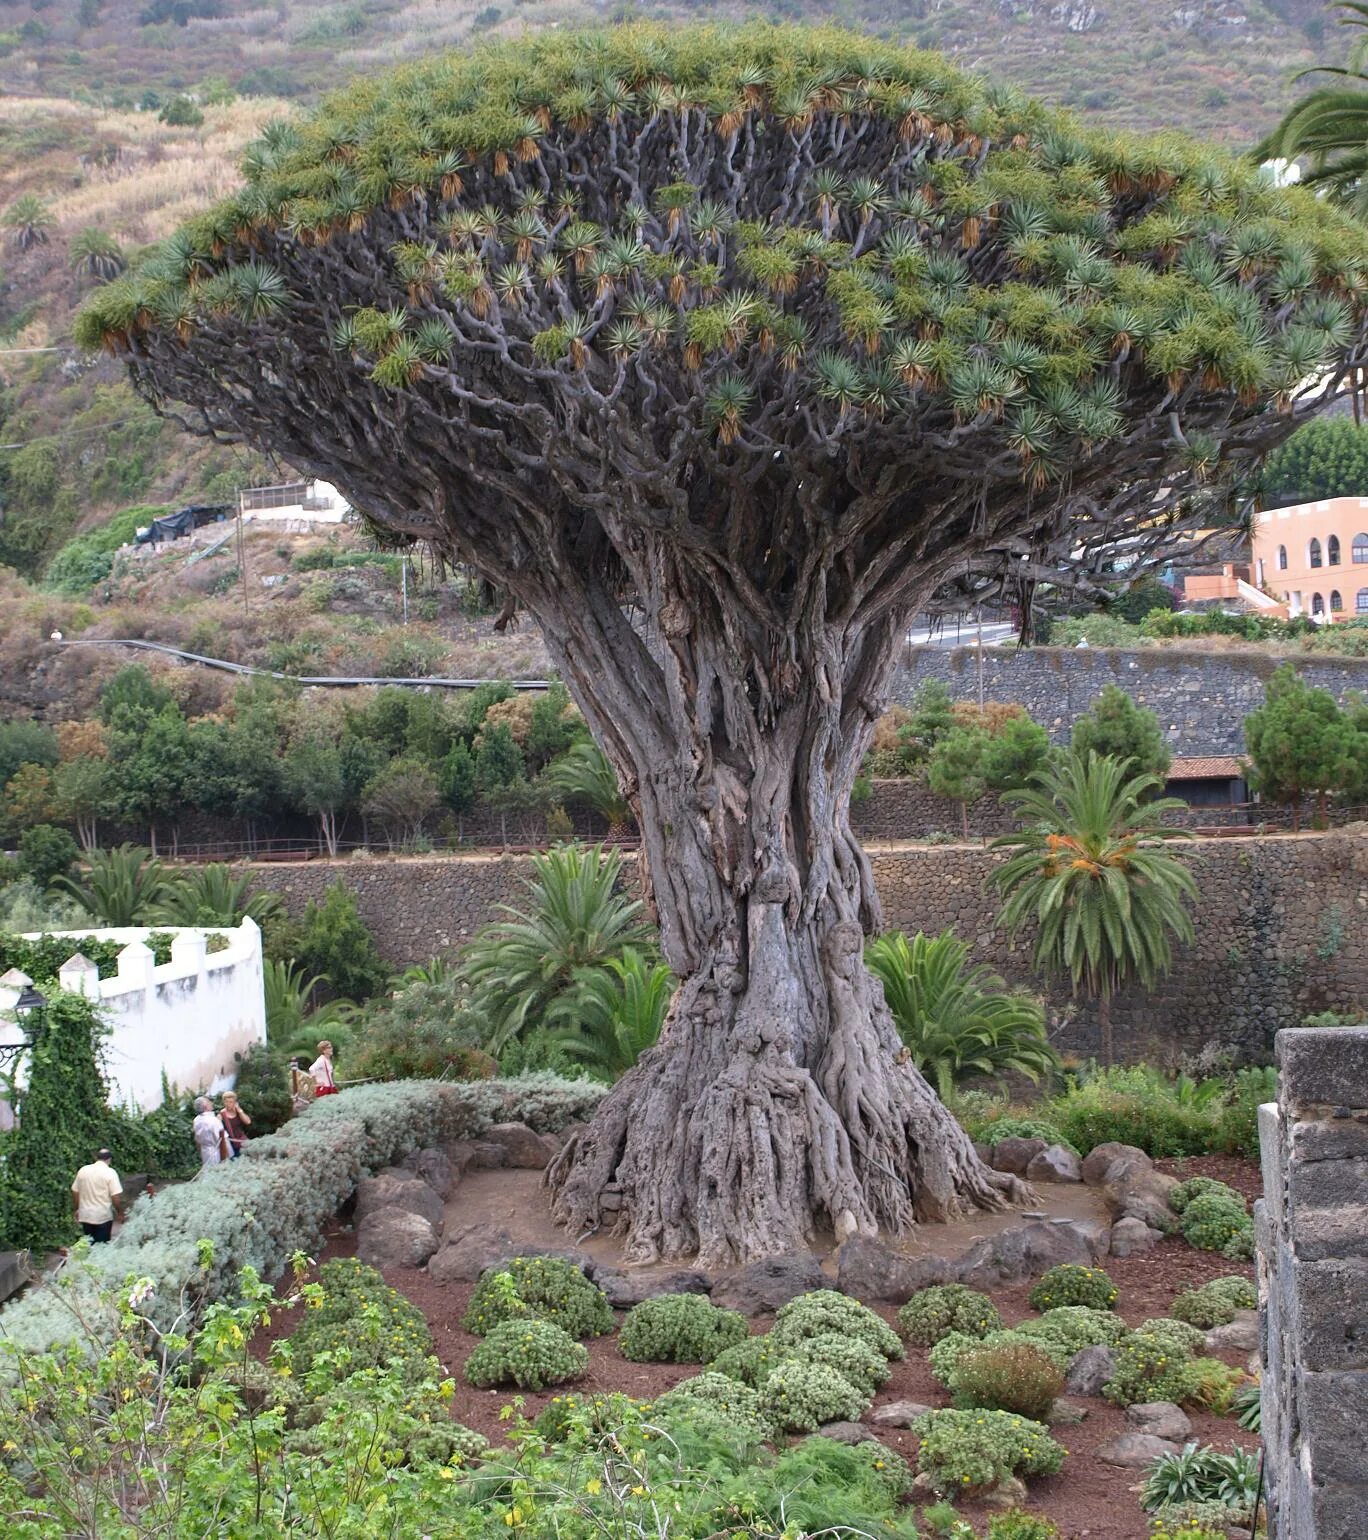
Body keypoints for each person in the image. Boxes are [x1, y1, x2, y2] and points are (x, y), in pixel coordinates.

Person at [71, 1148, 123, 1243]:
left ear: (96, 1158)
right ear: (109, 1159)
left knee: (89, 1244)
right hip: (102, 1216)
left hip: (85, 1215)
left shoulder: (83, 1170)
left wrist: (77, 1209)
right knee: (101, 1247)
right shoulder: (110, 1173)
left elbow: (75, 1191)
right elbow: (115, 1197)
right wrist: (120, 1213)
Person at [192, 1095, 228, 1166]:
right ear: (206, 1106)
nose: (211, 1103)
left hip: (204, 1152)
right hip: (217, 1153)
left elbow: (197, 1140)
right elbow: (223, 1141)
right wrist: (226, 1158)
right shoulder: (214, 1120)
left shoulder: (196, 1120)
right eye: (209, 1102)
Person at [219, 1091, 252, 1157]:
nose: (228, 1104)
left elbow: (248, 1122)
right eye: (226, 1102)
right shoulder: (221, 1114)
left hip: (242, 1140)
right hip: (231, 1143)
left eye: (231, 1102)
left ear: (235, 1102)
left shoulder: (238, 1111)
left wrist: (239, 1110)